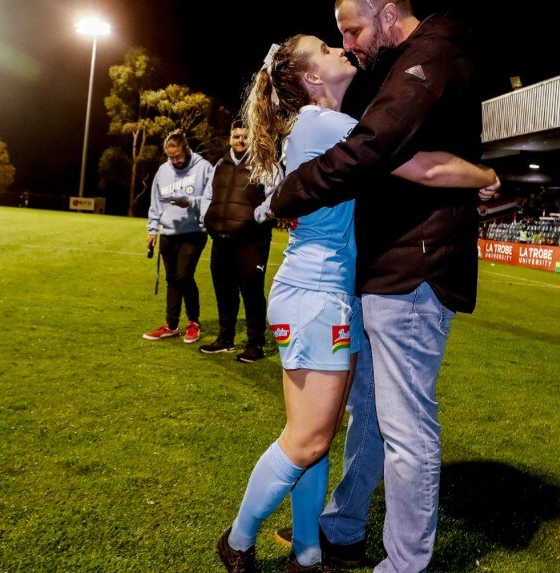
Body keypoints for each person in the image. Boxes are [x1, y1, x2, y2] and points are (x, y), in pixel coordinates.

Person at [218, 36, 497, 573]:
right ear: (311, 79)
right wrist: (486, 176)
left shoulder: (313, 128)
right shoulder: (322, 124)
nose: (339, 48)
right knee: (307, 438)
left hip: (327, 295)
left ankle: (307, 553)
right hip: (315, 294)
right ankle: (237, 538)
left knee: (314, 437)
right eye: (326, 47)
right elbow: (422, 167)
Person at [197, 120, 275, 362]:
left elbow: (275, 194)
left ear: (251, 138)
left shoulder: (264, 164)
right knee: (224, 291)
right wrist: (205, 219)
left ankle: (255, 344)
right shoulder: (220, 164)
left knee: (251, 292)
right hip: (221, 239)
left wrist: (255, 217)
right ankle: (225, 339)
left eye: (244, 137)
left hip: (251, 241)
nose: (240, 140)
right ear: (229, 138)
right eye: (236, 136)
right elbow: (208, 195)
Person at [143, 130, 214, 344]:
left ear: (186, 148)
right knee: (172, 280)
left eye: (178, 156)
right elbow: (156, 202)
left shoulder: (204, 168)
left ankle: (194, 322)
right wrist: (152, 228)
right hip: (168, 233)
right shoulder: (163, 171)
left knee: (184, 276)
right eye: (170, 157)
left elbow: (212, 199)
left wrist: (190, 202)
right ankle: (171, 325)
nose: (175, 161)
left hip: (194, 231)